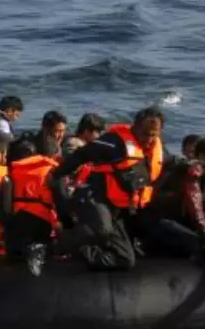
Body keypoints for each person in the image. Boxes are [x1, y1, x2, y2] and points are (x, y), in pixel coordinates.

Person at [46, 107, 166, 271]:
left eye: (154, 135)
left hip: (116, 208)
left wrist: (191, 165)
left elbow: (170, 162)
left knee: (125, 259)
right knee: (102, 229)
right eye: (145, 134)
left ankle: (83, 252)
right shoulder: (113, 142)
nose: (149, 139)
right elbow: (82, 154)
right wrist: (56, 174)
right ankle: (56, 245)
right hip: (93, 196)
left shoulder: (154, 148)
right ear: (135, 127)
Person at [142, 139, 205, 259]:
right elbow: (197, 210)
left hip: (179, 217)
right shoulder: (193, 175)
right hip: (160, 218)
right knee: (196, 244)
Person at [6, 141, 61, 275]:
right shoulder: (50, 171)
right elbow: (60, 199)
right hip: (42, 219)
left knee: (16, 258)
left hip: (18, 218)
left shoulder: (12, 172)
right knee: (40, 255)